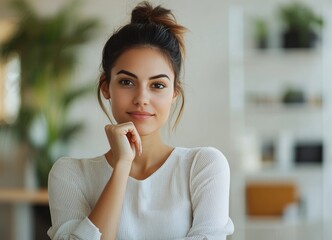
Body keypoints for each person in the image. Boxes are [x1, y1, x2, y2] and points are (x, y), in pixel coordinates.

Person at [47, 1, 234, 239]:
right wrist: (122, 165)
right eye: (127, 82)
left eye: (157, 85)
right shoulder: (70, 174)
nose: (141, 98)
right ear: (106, 86)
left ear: (174, 94)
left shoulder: (203, 166)